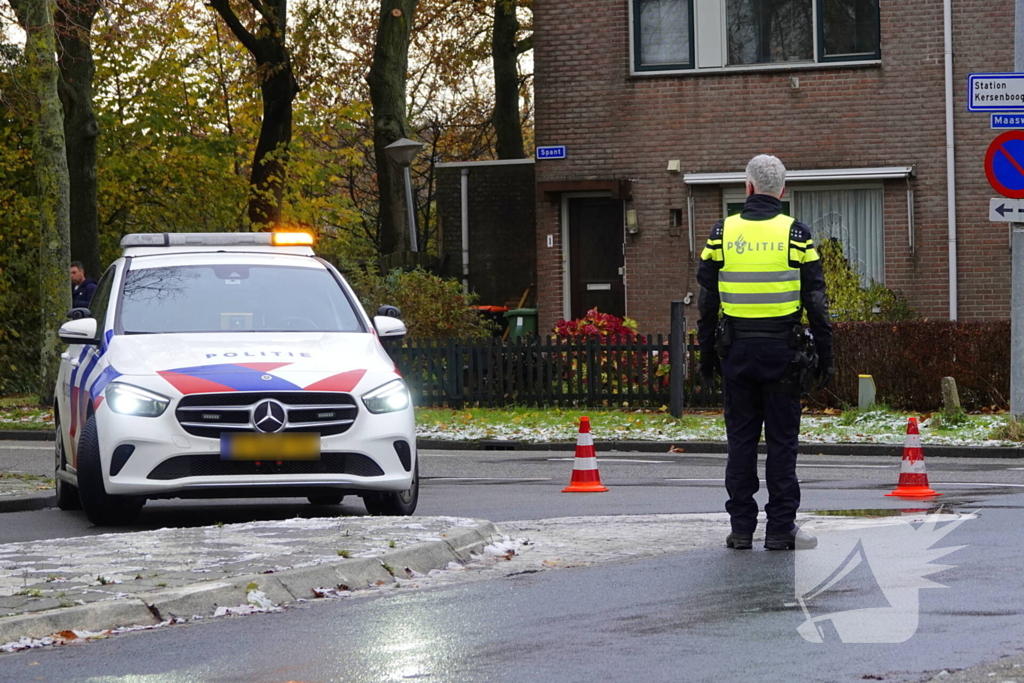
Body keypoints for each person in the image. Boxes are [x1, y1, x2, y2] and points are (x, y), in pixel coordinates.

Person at [696, 154, 834, 551]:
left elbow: (706, 303)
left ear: (748, 188)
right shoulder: (796, 235)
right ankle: (779, 530)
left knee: (740, 442)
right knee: (782, 444)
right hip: (784, 355)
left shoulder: (722, 233)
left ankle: (741, 529)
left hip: (736, 352)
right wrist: (827, 356)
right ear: (782, 191)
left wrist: (706, 356)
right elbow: (817, 304)